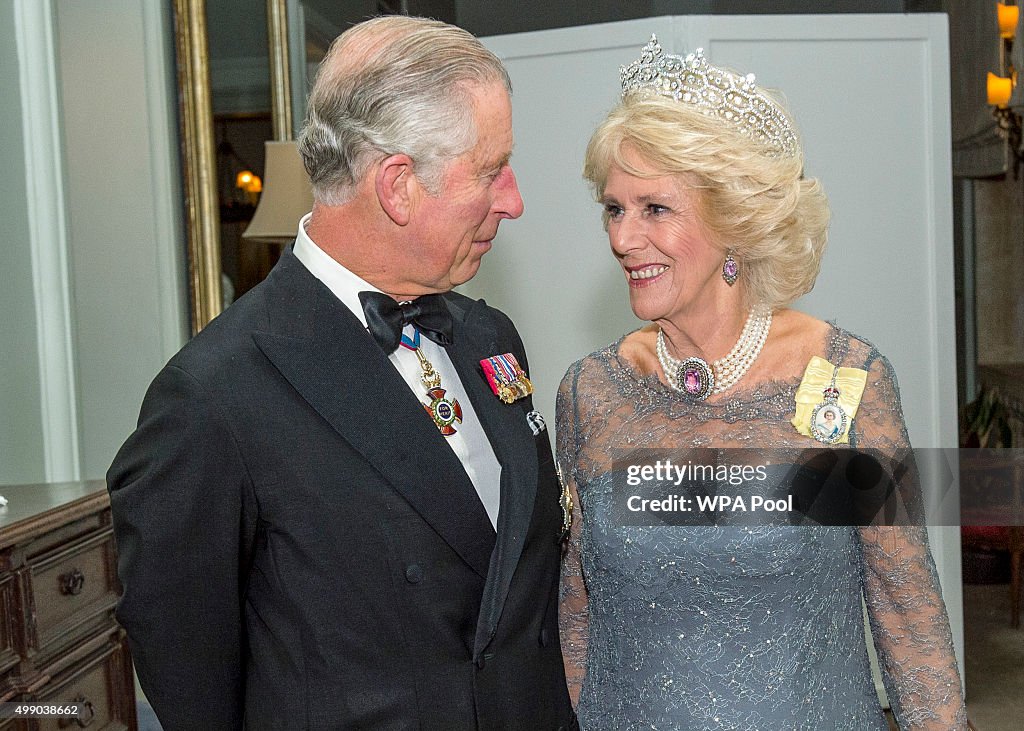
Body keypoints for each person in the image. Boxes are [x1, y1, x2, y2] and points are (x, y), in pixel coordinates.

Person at [108, 16, 575, 730]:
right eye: (489, 170)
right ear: (397, 186)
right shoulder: (214, 398)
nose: (512, 199)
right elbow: (192, 679)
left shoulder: (488, 335)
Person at [556, 36, 967, 729]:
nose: (624, 238)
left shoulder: (848, 380)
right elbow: (576, 610)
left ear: (733, 221)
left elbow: (907, 613)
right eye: (613, 208)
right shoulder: (590, 392)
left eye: (654, 208)